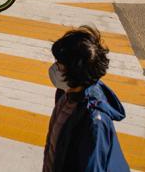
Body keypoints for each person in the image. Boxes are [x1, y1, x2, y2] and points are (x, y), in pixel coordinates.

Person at [43, 26, 130, 172]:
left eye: (60, 65)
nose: (55, 67)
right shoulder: (66, 94)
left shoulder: (93, 122)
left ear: (74, 72)